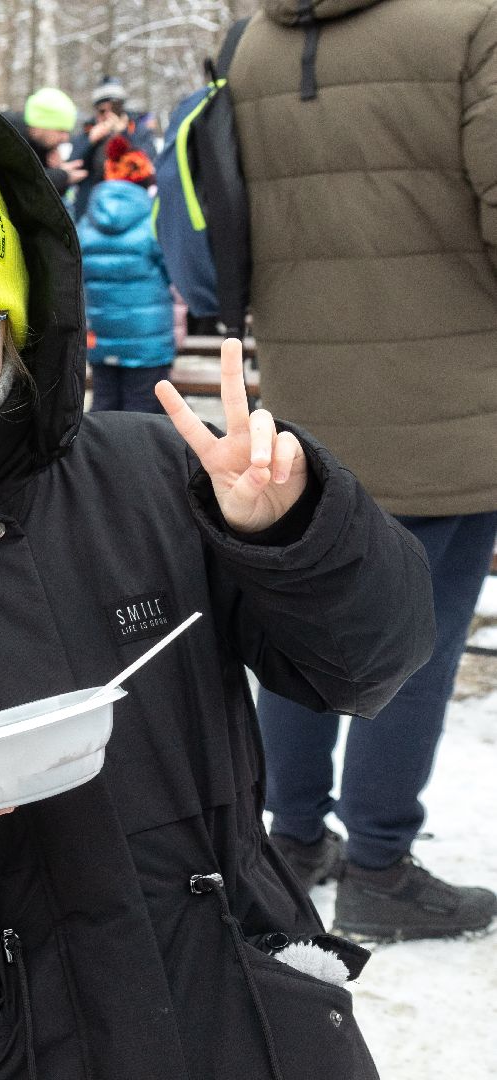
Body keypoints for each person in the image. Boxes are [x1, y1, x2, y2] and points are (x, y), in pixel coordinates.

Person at [0, 71, 434, 1080]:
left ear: (18, 315)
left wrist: (294, 532)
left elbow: (370, 662)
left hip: (244, 1014)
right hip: (3, 1039)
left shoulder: (157, 480)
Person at [230, 0, 497, 941]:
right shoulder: (471, 24)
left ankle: (295, 838)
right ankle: (380, 867)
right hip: (449, 409)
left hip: (303, 414)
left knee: (303, 630)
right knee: (412, 649)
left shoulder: (255, 40)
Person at [79, 174, 173, 413]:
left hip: (100, 333)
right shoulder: (153, 220)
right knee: (142, 409)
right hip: (146, 336)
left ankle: (98, 451)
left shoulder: (86, 222)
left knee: (104, 404)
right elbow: (171, 270)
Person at [68, 76, 154, 219]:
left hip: (131, 207)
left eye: (114, 109)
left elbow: (148, 162)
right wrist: (90, 142)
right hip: (91, 209)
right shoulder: (87, 132)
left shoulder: (138, 130)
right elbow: (72, 165)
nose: (109, 115)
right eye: (102, 111)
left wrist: (123, 135)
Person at [4, 86, 86, 197]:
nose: (65, 138)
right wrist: (63, 175)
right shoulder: (8, 135)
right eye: (61, 131)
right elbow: (22, 183)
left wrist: (56, 170)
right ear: (40, 124)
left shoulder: (41, 146)